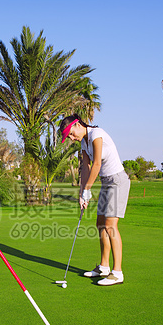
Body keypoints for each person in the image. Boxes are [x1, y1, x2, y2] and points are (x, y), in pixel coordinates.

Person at [60, 114, 130, 286]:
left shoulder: (96, 134)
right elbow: (86, 168)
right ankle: (104, 267)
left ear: (77, 124)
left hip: (117, 181)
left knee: (110, 226)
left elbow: (97, 164)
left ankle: (117, 272)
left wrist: (89, 189)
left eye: (70, 133)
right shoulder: (84, 143)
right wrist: (82, 192)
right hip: (107, 182)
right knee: (100, 224)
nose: (71, 138)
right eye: (68, 136)